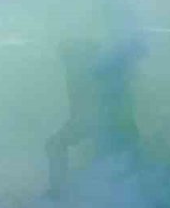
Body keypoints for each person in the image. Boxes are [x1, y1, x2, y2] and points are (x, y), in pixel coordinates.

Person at [45, 37, 143, 197]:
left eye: (66, 56)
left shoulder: (84, 73)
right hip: (107, 124)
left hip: (104, 124)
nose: (65, 62)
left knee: (54, 145)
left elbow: (90, 112)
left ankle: (58, 191)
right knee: (56, 145)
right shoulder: (94, 70)